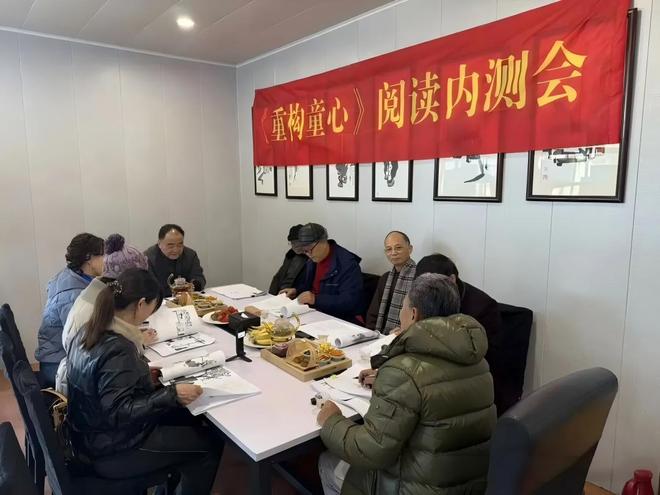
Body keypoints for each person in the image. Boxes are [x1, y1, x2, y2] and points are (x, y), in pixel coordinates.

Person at [317, 274, 495, 495]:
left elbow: (371, 451)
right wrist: (389, 379)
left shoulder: (403, 372)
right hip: (469, 485)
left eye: (403, 307)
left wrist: (331, 420)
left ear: (413, 314)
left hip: (412, 487)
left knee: (327, 462)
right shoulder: (478, 361)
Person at [67, 268, 222, 494]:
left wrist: (143, 378)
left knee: (187, 419)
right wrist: (171, 394)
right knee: (209, 445)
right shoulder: (117, 347)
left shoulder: (89, 329)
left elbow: (104, 387)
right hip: (113, 450)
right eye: (152, 308)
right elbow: (118, 412)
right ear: (141, 304)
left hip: (90, 439)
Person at [55, 234, 155, 394]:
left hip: (83, 377)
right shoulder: (96, 306)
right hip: (89, 387)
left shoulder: (96, 292)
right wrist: (138, 340)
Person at [414, 253, 504, 410]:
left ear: (452, 280)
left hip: (466, 377)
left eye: (431, 286)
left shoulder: (483, 307)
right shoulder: (428, 294)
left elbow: (475, 355)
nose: (425, 292)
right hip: (431, 369)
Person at [35, 233, 105, 388]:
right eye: (101, 255)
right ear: (89, 258)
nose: (105, 260)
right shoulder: (72, 294)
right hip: (58, 364)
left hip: (59, 356)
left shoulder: (72, 276)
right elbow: (82, 340)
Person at [281, 223, 363, 322]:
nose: (308, 254)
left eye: (310, 249)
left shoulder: (347, 264)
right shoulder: (313, 260)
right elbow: (309, 286)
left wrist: (315, 299)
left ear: (323, 241)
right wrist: (296, 291)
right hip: (315, 313)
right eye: (305, 251)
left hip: (341, 318)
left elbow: (350, 302)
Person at [365, 231, 416, 334]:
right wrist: (371, 335)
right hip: (380, 335)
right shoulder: (385, 278)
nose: (393, 253)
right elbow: (373, 313)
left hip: (405, 335)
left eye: (398, 248)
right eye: (389, 249)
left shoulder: (419, 278)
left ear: (410, 249)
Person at [144, 224, 206, 297]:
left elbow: (199, 277)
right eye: (170, 246)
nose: (176, 250)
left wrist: (193, 285)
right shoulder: (147, 259)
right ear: (159, 244)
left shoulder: (190, 255)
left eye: (180, 245)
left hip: (187, 298)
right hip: (160, 300)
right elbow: (147, 287)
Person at [268, 224, 308, 295]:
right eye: (292, 243)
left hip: (293, 295)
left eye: (298, 242)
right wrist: (271, 295)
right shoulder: (290, 255)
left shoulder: (311, 259)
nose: (295, 246)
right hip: (280, 294)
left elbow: (307, 285)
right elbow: (278, 277)